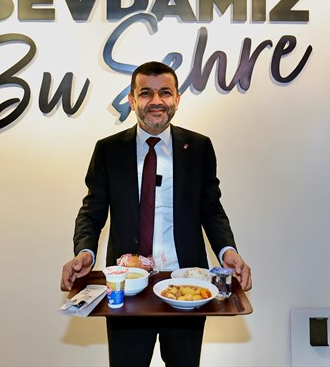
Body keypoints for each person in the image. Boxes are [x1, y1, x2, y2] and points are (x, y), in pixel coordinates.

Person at [61, 61, 252, 366]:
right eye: (145, 93)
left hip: (187, 286)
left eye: (165, 92)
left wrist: (227, 250)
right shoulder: (108, 150)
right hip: (129, 287)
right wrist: (85, 251)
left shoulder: (199, 147)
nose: (156, 101)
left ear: (177, 99)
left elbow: (211, 208)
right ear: (131, 100)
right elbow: (92, 211)